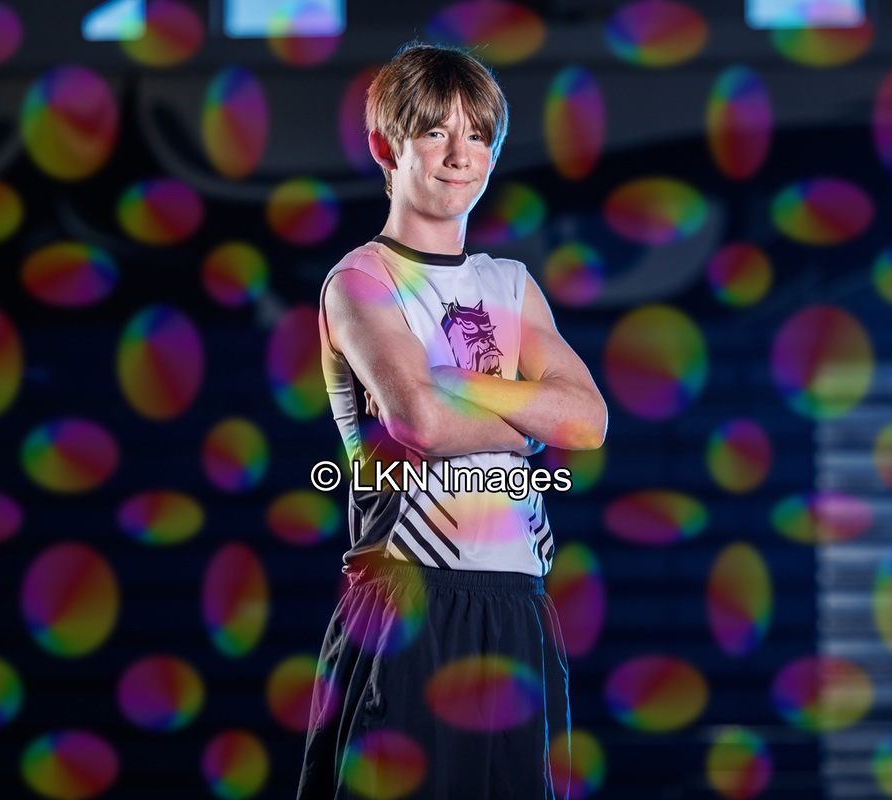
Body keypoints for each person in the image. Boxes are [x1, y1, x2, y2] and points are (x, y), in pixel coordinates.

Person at [298, 42, 607, 800]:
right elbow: (423, 424)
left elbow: (589, 421)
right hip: (411, 598)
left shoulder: (512, 284)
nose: (460, 154)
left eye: (477, 135)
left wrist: (458, 383)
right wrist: (529, 419)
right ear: (386, 147)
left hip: (519, 605)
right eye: (436, 131)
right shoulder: (362, 280)